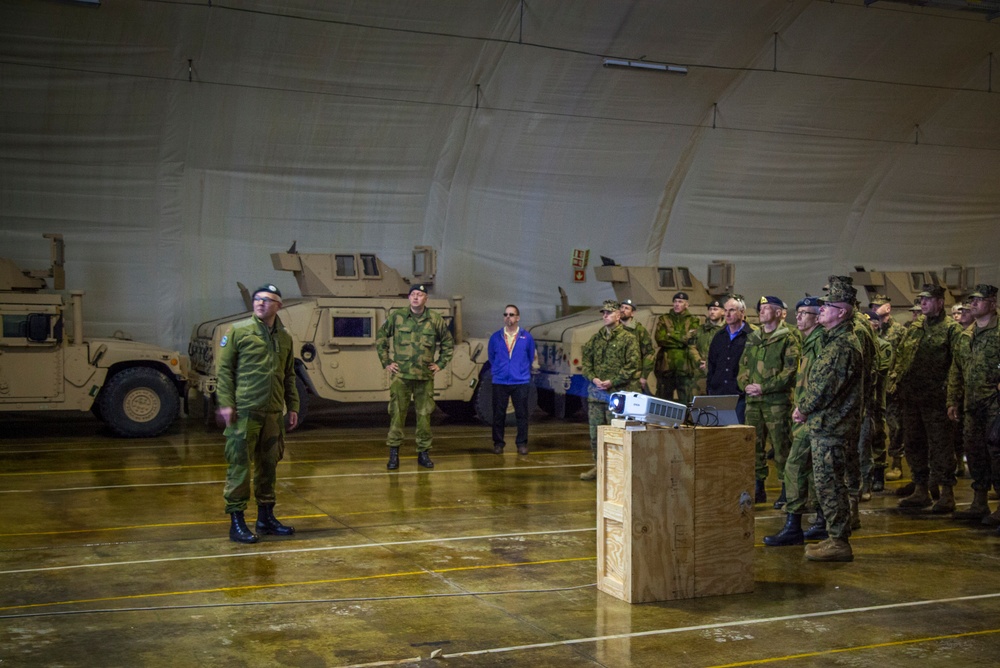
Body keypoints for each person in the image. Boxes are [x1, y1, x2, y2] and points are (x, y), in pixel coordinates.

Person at [216, 284, 300, 544]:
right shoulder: (239, 332)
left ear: (279, 305)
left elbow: (289, 375)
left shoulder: (285, 338)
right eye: (257, 299)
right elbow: (225, 372)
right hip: (245, 413)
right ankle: (237, 522)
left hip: (273, 414)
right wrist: (227, 404)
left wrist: (293, 406)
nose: (260, 303)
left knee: (268, 467)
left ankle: (265, 518)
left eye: (267, 300)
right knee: (239, 468)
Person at [793, 284, 864, 562]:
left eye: (827, 307)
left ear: (842, 312)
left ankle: (839, 541)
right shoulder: (835, 340)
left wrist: (803, 408)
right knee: (830, 482)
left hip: (832, 426)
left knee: (830, 484)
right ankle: (835, 536)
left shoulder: (841, 346)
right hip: (830, 424)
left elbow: (823, 387)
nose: (820, 310)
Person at [891, 284, 964, 512]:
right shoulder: (915, 327)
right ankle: (921, 489)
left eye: (928, 299)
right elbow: (902, 358)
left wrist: (952, 398)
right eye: (921, 299)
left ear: (940, 302)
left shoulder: (952, 330)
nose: (922, 303)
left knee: (941, 446)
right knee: (913, 444)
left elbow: (957, 367)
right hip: (912, 398)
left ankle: (946, 493)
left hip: (937, 400)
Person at [764, 296, 825, 546]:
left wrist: (805, 407)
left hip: (814, 416)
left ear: (818, 316)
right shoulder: (807, 341)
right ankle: (817, 522)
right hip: (805, 415)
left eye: (804, 313)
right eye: (797, 312)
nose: (798, 317)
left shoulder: (821, 343)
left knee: (795, 466)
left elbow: (821, 383)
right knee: (811, 471)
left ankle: (795, 525)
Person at [376, 283, 455, 470]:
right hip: (401, 377)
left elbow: (448, 344)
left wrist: (440, 363)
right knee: (397, 415)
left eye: (419, 294)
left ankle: (423, 454)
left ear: (426, 298)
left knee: (424, 416)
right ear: (409, 298)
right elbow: (380, 337)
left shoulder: (435, 320)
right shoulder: (397, 317)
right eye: (413, 294)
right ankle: (394, 454)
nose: (416, 297)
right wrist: (386, 362)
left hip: (424, 378)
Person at [738, 295, 800, 508]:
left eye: (766, 308)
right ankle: (758, 487)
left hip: (776, 402)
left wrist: (764, 387)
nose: (761, 311)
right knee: (753, 446)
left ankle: (785, 489)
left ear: (777, 312)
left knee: (781, 446)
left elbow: (790, 371)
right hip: (753, 402)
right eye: (760, 308)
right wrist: (745, 384)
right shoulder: (754, 337)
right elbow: (743, 365)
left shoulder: (788, 337)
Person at [947, 284, 1000, 527]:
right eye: (972, 300)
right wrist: (953, 400)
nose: (974, 304)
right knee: (975, 452)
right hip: (971, 404)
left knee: (997, 454)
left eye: (979, 300)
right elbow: (956, 370)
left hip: (995, 405)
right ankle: (979, 501)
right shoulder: (965, 335)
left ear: (992, 303)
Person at [579, 299, 640, 481]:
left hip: (617, 396)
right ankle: (599, 467)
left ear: (618, 315)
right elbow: (586, 363)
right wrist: (593, 378)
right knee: (596, 435)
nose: (605, 316)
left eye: (609, 313)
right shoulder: (596, 339)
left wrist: (613, 381)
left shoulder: (628, 338)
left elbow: (632, 365)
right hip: (596, 396)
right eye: (603, 313)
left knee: (616, 435)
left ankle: (617, 470)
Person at [487, 304, 536, 455]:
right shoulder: (496, 337)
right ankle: (498, 443)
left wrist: (520, 371)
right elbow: (491, 357)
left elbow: (530, 356)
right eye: (506, 314)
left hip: (520, 381)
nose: (508, 317)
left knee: (521, 414)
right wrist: (499, 371)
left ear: (518, 318)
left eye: (511, 314)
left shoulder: (526, 337)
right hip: (500, 381)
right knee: (499, 414)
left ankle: (521, 443)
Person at [872, 294, 906, 482]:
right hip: (876, 387)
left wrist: (895, 378)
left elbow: (903, 357)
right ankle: (875, 464)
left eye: (879, 305)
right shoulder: (873, 329)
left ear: (888, 307)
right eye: (873, 305)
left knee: (895, 427)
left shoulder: (899, 331)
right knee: (875, 427)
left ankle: (896, 463)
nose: (875, 308)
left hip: (892, 388)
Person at [706, 296, 753, 425]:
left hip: (739, 395)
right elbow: (712, 364)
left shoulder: (751, 336)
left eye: (732, 310)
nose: (727, 314)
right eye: (725, 310)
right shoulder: (719, 336)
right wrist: (710, 388)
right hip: (719, 393)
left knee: (736, 434)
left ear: (742, 313)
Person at [653, 291, 700, 404]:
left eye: (680, 302)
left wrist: (671, 334)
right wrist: (681, 341)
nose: (677, 304)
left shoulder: (693, 320)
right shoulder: (664, 319)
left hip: (685, 367)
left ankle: (686, 421)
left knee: (686, 401)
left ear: (686, 304)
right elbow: (660, 339)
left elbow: (691, 340)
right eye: (675, 301)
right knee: (663, 400)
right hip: (666, 367)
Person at [619, 299, 655, 393]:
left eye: (626, 308)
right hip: (616, 377)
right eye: (621, 307)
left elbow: (649, 353)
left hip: (633, 378)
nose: (623, 310)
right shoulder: (613, 329)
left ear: (632, 313)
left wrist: (644, 376)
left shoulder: (639, 331)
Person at [692, 299, 725, 395]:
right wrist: (698, 360)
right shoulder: (700, 330)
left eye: (715, 309)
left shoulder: (727, 330)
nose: (712, 312)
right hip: (701, 373)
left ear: (723, 312)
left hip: (719, 374)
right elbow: (692, 346)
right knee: (698, 404)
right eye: (710, 309)